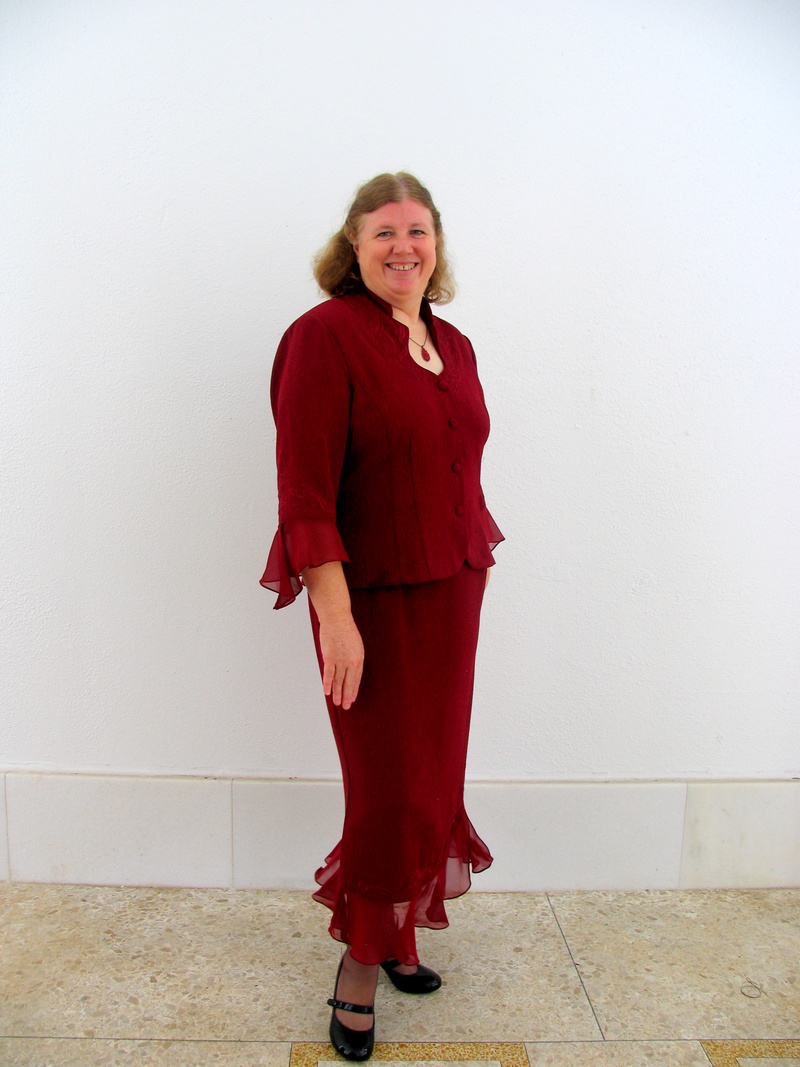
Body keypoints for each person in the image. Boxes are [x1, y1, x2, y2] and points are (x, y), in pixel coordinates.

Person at [261, 172, 503, 1060]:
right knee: (387, 790)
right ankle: (359, 965)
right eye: (384, 233)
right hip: (368, 602)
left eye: (418, 231)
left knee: (434, 775)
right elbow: (304, 491)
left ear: (436, 243)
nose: (404, 246)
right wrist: (335, 619)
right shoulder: (322, 337)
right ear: (354, 247)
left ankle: (399, 933)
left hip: (454, 586)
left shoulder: (455, 343)